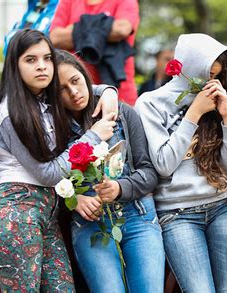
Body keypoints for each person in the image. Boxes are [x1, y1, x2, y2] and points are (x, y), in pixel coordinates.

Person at [0, 29, 118, 291]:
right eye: (31, 60)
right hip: (16, 214)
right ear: (15, 64)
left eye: (47, 58)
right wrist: (92, 137)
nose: (42, 66)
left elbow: (81, 88)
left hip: (46, 214)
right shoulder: (10, 113)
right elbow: (48, 174)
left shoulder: (45, 99)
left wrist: (109, 91)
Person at [135, 33, 227, 292]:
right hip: (177, 214)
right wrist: (194, 113)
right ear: (189, 67)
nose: (211, 83)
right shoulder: (150, 103)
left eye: (217, 76)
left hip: (225, 206)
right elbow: (163, 164)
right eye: (207, 75)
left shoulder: (219, 101)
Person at [55, 50, 163, 292]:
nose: (73, 92)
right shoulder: (52, 128)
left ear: (85, 77)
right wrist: (74, 200)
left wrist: (120, 187)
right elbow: (46, 179)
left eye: (75, 81)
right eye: (62, 88)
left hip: (138, 216)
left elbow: (149, 172)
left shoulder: (123, 114)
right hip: (90, 224)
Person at [50, 0, 140, 105]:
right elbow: (55, 38)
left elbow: (121, 29)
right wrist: (105, 26)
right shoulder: (68, 2)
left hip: (120, 93)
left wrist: (76, 28)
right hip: (76, 97)